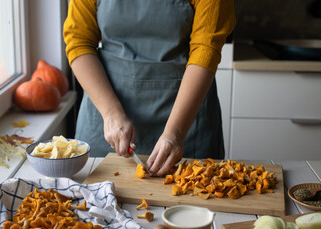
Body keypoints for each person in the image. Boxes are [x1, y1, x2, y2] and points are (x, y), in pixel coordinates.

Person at [63, 0, 236, 176]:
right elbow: (78, 41)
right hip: (104, 117)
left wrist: (175, 133)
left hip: (187, 120)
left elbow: (206, 49)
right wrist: (110, 113)